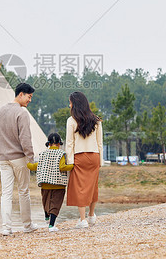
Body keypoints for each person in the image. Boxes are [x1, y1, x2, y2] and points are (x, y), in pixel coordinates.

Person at [0, 82, 38, 236]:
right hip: (19, 158)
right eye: (29, 96)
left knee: (6, 193)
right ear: (21, 94)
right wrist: (31, 158)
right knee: (23, 191)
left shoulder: (0, 111)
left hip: (3, 157)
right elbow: (25, 138)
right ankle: (27, 225)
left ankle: (6, 228)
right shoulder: (22, 113)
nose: (30, 100)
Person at [65, 91, 104, 229]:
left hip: (79, 157)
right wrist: (101, 161)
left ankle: (82, 220)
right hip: (94, 156)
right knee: (93, 186)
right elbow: (100, 143)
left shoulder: (71, 120)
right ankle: (91, 216)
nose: (69, 104)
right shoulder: (97, 120)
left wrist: (69, 161)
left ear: (74, 103)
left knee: (80, 188)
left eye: (70, 102)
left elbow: (69, 143)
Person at [27, 133, 74, 232]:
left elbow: (35, 166)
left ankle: (46, 216)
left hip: (45, 183)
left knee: (46, 201)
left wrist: (27, 164)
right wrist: (72, 165)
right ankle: (51, 225)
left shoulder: (43, 154)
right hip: (58, 184)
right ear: (59, 144)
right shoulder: (61, 153)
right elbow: (62, 167)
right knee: (55, 204)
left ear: (48, 144)